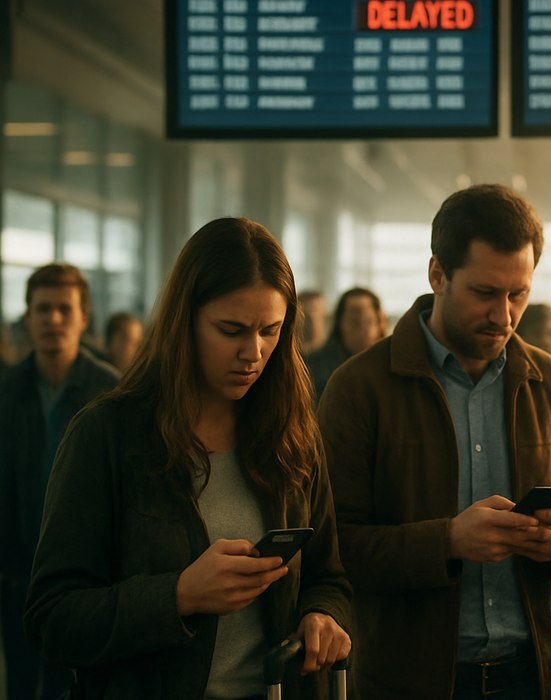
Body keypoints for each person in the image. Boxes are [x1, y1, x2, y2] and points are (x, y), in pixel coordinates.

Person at [23, 219, 353, 699]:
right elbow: (52, 617)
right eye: (231, 330)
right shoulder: (108, 434)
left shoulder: (291, 432)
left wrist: (321, 614)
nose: (253, 352)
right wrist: (178, 595)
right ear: (185, 321)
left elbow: (329, 576)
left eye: (270, 330)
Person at [317, 184, 551, 699]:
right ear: (438, 275)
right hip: (412, 680)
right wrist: (448, 541)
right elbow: (334, 548)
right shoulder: (360, 388)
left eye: (518, 293)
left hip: (536, 674)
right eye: (484, 293)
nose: (505, 315)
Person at [0, 263, 120, 700]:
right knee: (17, 682)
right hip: (15, 574)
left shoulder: (110, 393)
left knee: (73, 687)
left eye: (64, 310)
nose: (53, 320)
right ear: (28, 317)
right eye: (43, 309)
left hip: (85, 582)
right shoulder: (7, 390)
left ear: (84, 317)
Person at [305, 286, 387, 403]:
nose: (362, 329)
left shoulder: (389, 366)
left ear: (379, 325)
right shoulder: (315, 366)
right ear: (340, 324)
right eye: (354, 322)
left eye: (368, 321)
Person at [298, 289, 329, 355]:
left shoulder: (336, 349)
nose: (312, 317)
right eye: (305, 313)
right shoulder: (288, 351)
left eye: (315, 310)